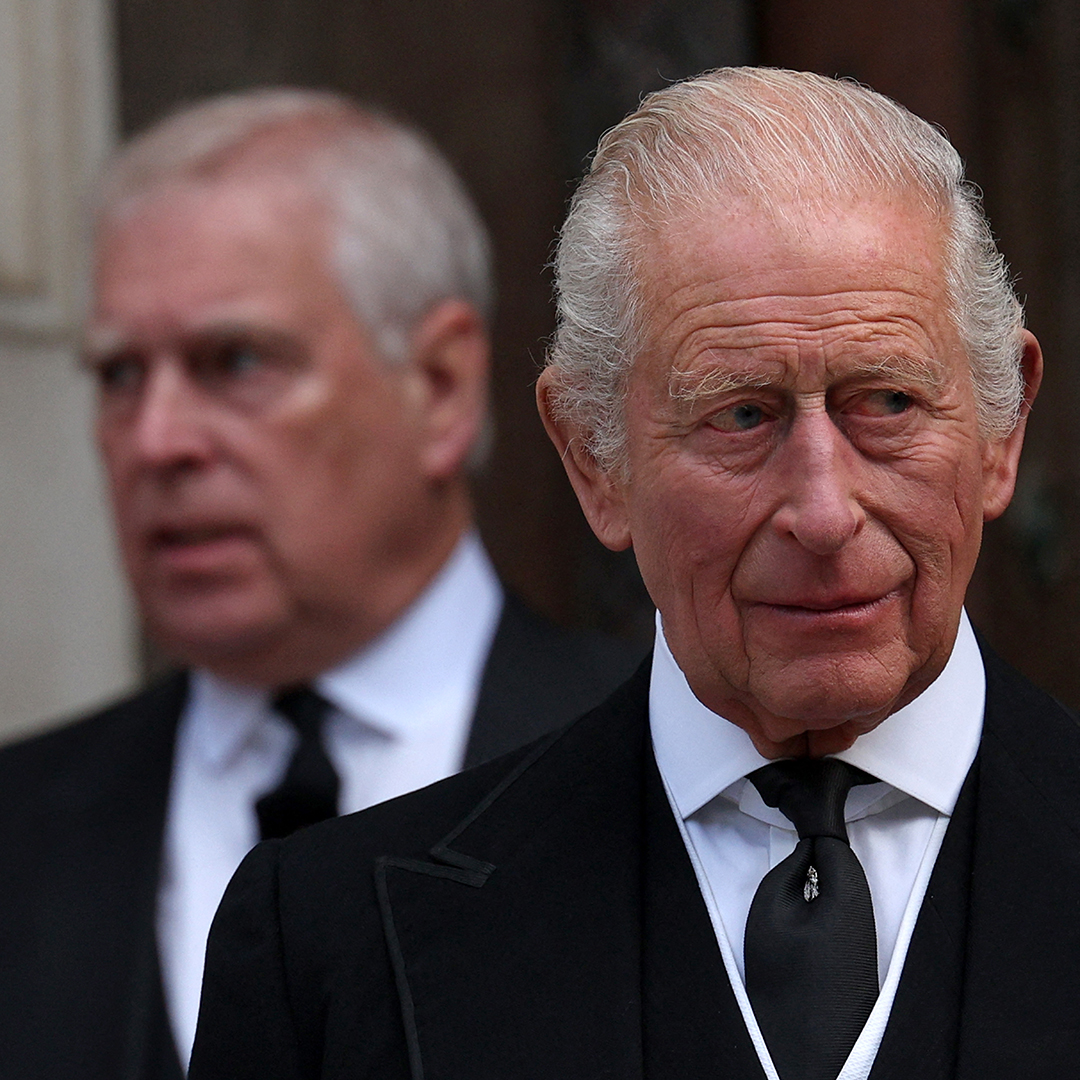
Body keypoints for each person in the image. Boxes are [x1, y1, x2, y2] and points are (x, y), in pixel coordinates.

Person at [188, 68, 1074, 1080]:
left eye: (888, 403)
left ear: (1003, 432)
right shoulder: (330, 945)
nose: (825, 512)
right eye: (741, 415)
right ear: (594, 459)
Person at [0, 89, 640, 1080]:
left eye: (236, 360)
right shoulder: (23, 829)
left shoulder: (676, 766)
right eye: (121, 375)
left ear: (440, 386)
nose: (157, 441)